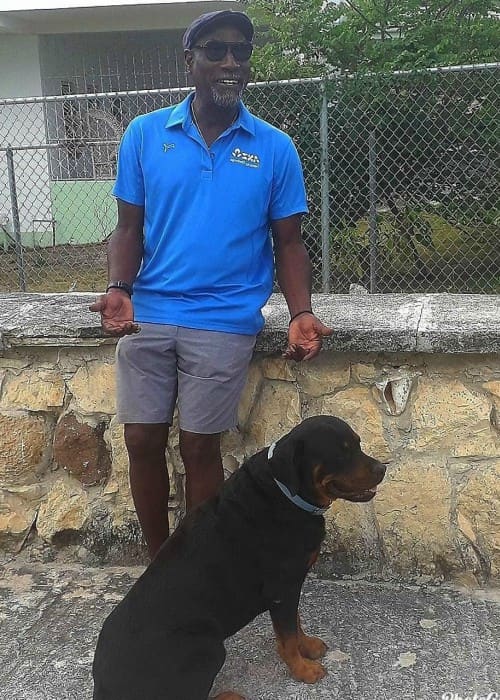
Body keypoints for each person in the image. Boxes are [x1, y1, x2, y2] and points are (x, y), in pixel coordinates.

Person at [90, 9, 333, 559]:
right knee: (141, 440)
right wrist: (119, 287)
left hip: (223, 321)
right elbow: (128, 228)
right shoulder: (146, 134)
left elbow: (289, 242)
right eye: (216, 50)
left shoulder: (274, 147)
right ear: (189, 60)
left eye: (241, 52)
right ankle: (158, 566)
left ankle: (194, 572)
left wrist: (300, 312)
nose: (230, 62)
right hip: (147, 314)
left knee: (201, 448)